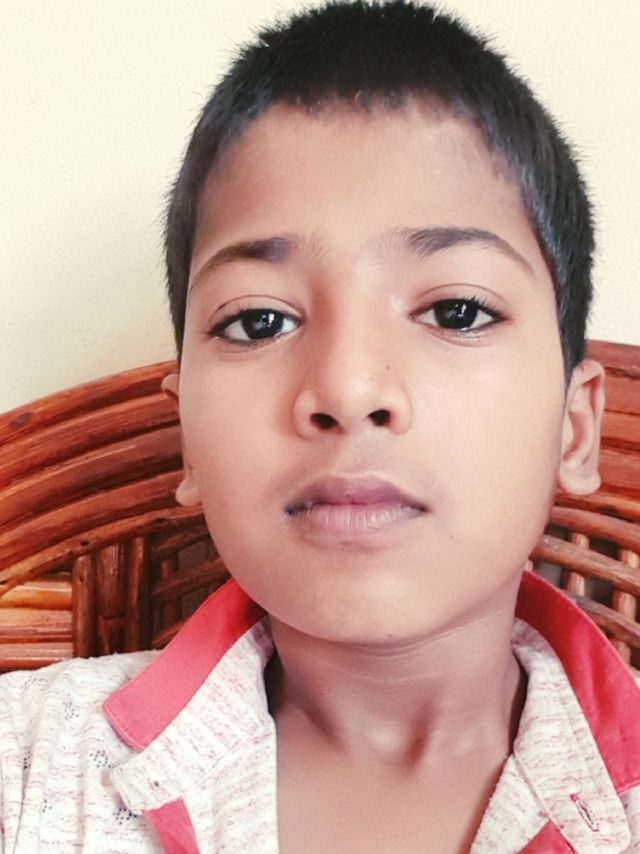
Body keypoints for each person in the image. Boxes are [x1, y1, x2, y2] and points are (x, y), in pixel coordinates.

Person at [1, 2, 639, 852]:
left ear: (574, 427)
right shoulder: (27, 767)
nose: (347, 388)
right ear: (186, 432)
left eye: (456, 310)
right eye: (260, 322)